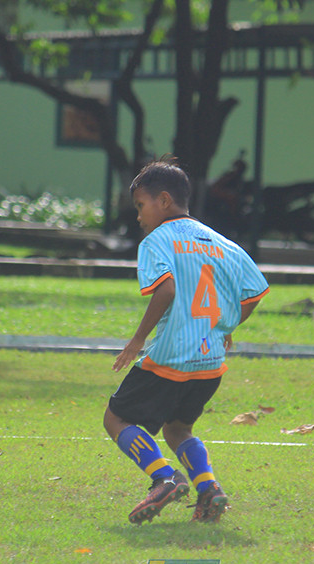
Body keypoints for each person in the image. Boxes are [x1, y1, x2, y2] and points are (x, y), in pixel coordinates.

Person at [103, 158, 269, 524]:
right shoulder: (222, 243)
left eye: (141, 205)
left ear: (163, 201)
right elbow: (255, 293)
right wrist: (225, 329)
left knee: (116, 418)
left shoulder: (156, 241)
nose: (139, 216)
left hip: (171, 356)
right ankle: (208, 487)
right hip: (210, 363)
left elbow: (165, 289)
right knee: (178, 428)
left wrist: (137, 341)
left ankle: (164, 478)